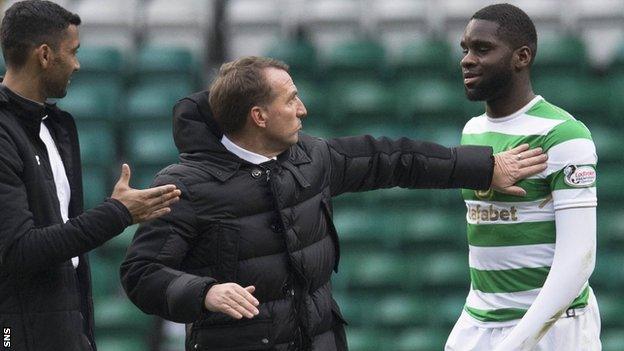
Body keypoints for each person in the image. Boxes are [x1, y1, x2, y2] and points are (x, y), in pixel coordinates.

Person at [120, 56, 547, 351]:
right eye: (290, 100)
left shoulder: (313, 157)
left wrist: (484, 168)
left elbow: (393, 159)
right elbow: (141, 273)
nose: (302, 110)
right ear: (258, 116)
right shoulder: (185, 186)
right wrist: (205, 292)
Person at [0, 1, 181, 350]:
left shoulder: (54, 126)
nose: (78, 64)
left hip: (65, 326)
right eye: (73, 52)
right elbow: (21, 250)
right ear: (44, 55)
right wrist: (119, 212)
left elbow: (63, 244)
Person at [445, 4, 601, 351]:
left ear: (522, 57)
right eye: (465, 49)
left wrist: (516, 342)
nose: (467, 60)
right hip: (480, 325)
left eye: (482, 49)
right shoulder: (472, 131)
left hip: (555, 330)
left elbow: (578, 261)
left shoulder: (564, 134)